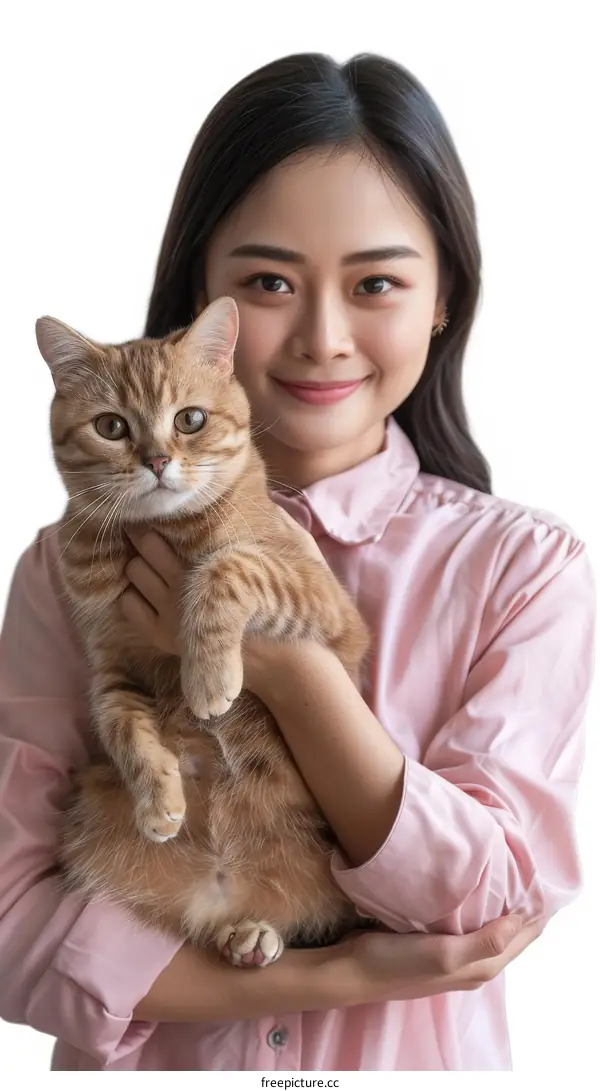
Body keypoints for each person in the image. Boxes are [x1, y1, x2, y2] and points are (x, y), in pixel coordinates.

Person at [0, 52, 594, 1073]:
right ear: (206, 307)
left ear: (445, 297)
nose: (323, 336)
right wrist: (344, 975)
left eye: (376, 283)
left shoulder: (525, 570)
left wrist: (288, 665)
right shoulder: (69, 564)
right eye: (270, 280)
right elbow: (10, 922)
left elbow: (488, 902)